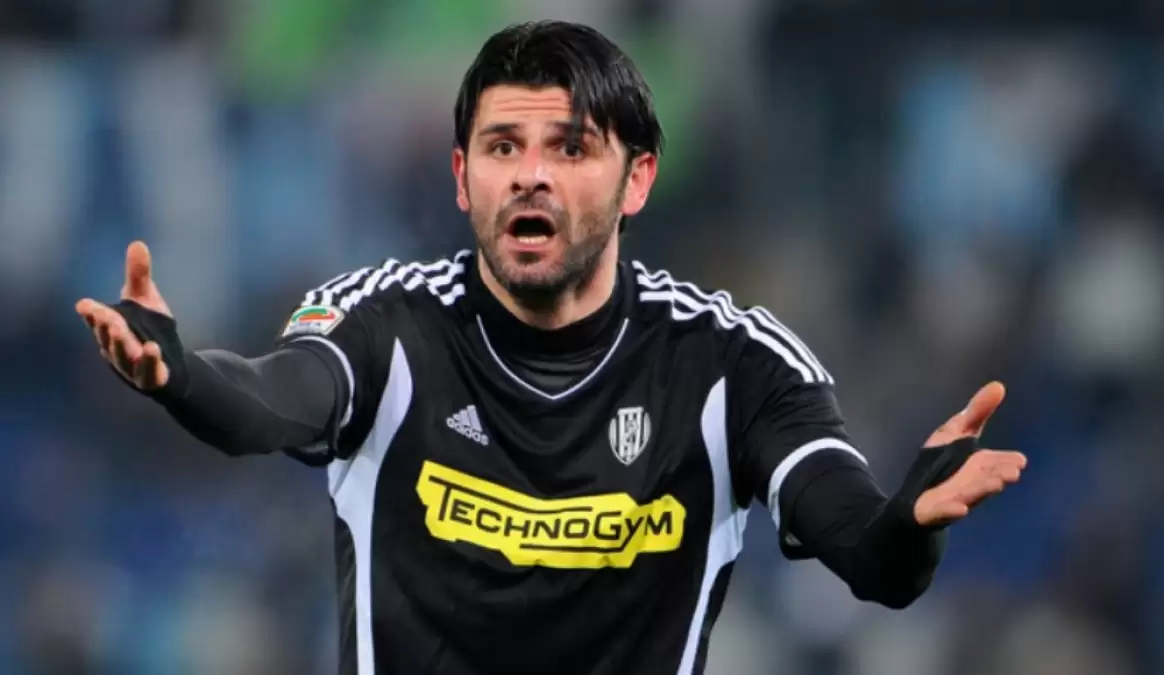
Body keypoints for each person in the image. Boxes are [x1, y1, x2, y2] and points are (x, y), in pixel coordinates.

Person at [74, 20, 1027, 675]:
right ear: (462, 178)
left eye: (570, 148)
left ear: (637, 179)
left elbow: (867, 550)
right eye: (503, 147)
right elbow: (271, 400)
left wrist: (911, 526)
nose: (530, 175)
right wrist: (180, 376)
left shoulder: (733, 364)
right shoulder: (386, 323)